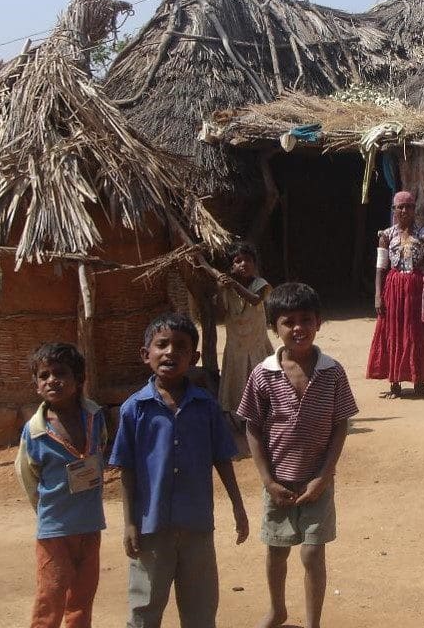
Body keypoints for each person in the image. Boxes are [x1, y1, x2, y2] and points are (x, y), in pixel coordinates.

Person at [109, 313, 249, 628]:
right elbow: (126, 468)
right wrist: (130, 523)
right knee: (144, 609)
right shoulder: (135, 409)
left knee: (200, 610)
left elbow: (222, 458)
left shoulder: (207, 406)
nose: (170, 352)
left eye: (181, 347)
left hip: (197, 527)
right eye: (162, 345)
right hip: (151, 529)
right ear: (146, 354)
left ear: (194, 357)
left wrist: (238, 507)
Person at [236, 283, 359, 628]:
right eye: (288, 322)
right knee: (276, 550)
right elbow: (253, 429)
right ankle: (277, 610)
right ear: (274, 327)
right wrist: (267, 480)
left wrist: (324, 474)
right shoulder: (263, 375)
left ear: (319, 322)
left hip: (318, 480)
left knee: (312, 551)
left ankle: (313, 622)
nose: (298, 329)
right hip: (278, 482)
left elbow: (340, 424)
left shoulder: (332, 372)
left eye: (306, 320)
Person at [15, 342, 107, 628]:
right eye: (44, 376)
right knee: (50, 595)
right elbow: (27, 476)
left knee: (82, 596)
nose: (52, 380)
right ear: (37, 385)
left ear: (79, 380)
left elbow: (101, 448)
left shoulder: (94, 416)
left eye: (60, 373)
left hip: (90, 525)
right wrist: (46, 511)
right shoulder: (35, 431)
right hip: (55, 529)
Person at [367, 190, 424, 398]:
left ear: (414, 210)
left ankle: (418, 382)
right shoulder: (386, 236)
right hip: (393, 291)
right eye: (400, 207)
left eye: (409, 207)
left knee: (416, 334)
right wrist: (378, 295)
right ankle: (395, 384)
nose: (404, 210)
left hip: (418, 291)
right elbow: (380, 268)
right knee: (394, 333)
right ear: (393, 210)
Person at [216, 241, 273, 451]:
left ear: (255, 264)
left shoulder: (261, 284)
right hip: (236, 347)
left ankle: (264, 420)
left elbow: (255, 300)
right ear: (231, 267)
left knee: (262, 383)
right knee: (238, 384)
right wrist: (220, 290)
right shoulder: (226, 289)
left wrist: (233, 285)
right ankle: (243, 421)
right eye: (238, 261)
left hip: (256, 344)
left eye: (248, 260)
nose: (243, 264)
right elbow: (221, 314)